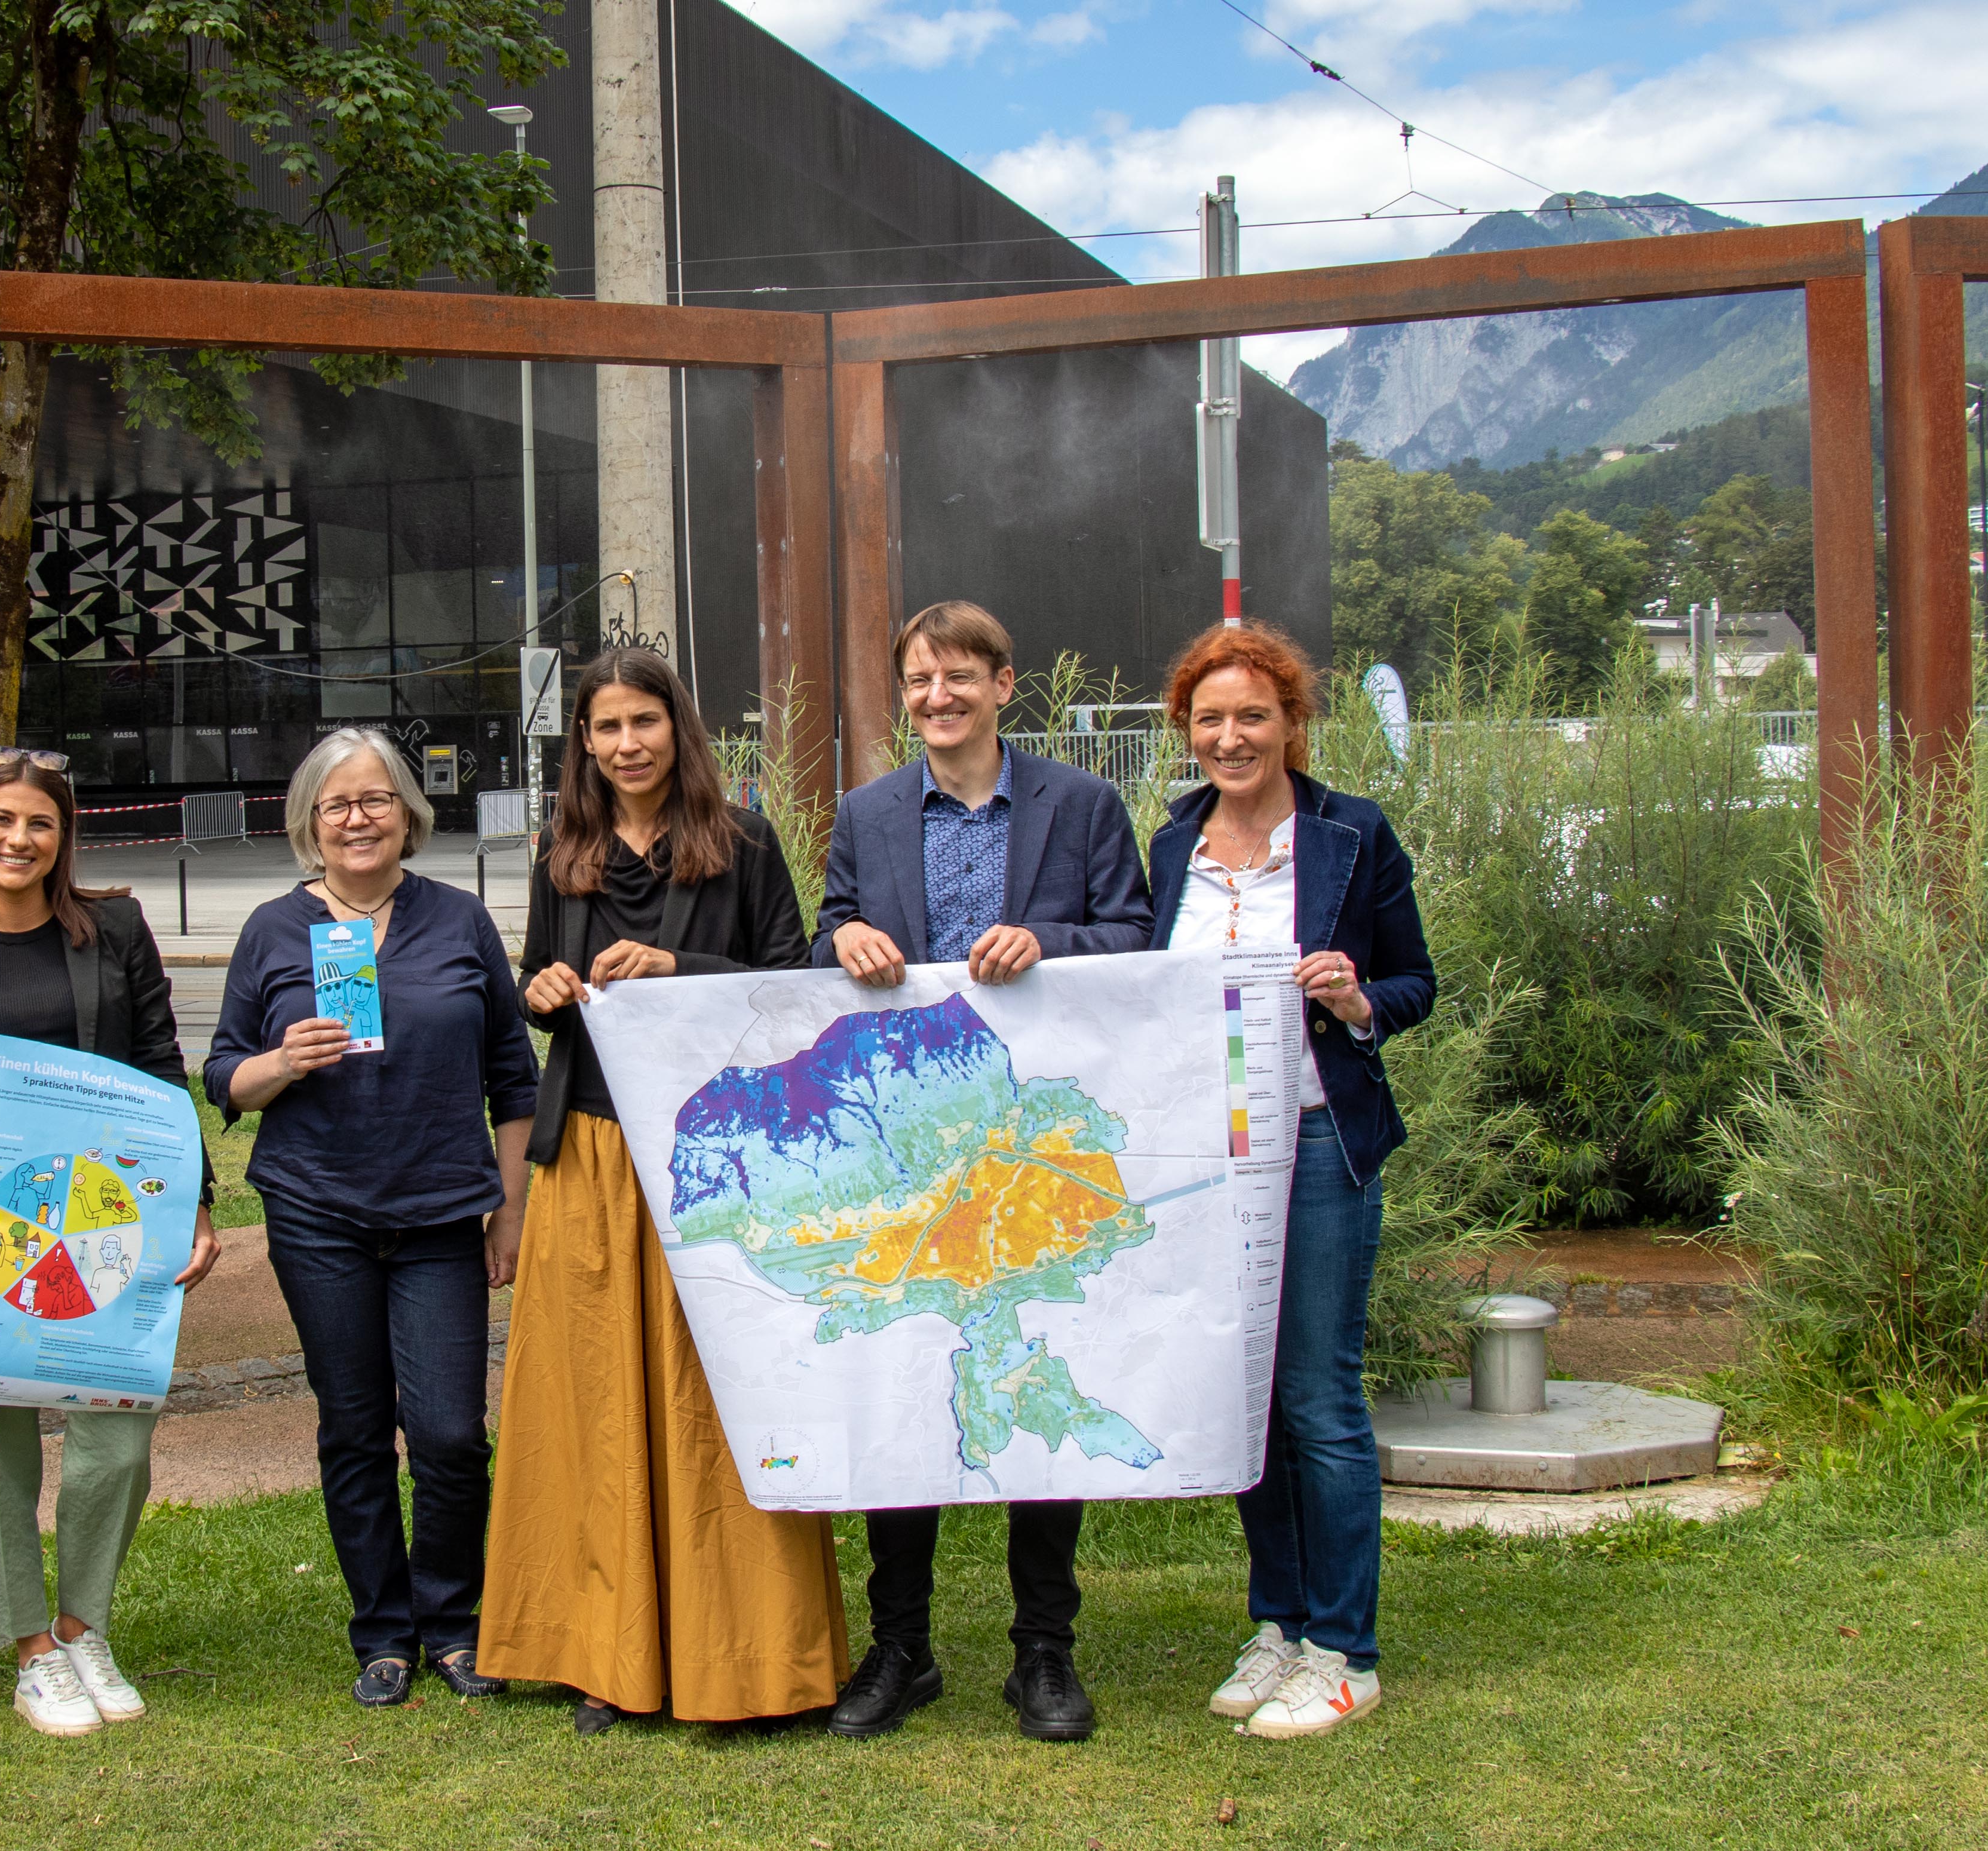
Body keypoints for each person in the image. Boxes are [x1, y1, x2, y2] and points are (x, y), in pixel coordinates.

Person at [478, 645, 848, 1735]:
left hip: (716, 1163)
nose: (625, 743)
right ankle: (604, 1651)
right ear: (582, 744)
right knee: (594, 1402)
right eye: (604, 728)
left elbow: (796, 990)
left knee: (717, 1399)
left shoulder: (740, 841)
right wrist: (539, 985)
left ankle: (747, 1654)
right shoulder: (562, 850)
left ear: (674, 727)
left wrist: (680, 971)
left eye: (642, 721)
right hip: (590, 1149)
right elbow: (541, 998)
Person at [808, 600, 1153, 1744]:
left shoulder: (1082, 805)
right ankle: (899, 1646)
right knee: (905, 1373)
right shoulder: (864, 814)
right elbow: (821, 944)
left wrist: (1049, 943)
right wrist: (845, 940)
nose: (936, 696)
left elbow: (1139, 937)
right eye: (917, 679)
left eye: (958, 676)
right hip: (911, 1155)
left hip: (1033, 1149)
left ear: (1006, 684)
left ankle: (1041, 1651)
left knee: (1035, 1372)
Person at [204, 727, 538, 1709]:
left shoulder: (459, 918)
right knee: (352, 1426)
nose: (357, 816)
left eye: (376, 798)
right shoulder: (273, 927)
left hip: (439, 1212)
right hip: (318, 1214)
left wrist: (508, 1214)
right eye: (337, 802)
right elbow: (223, 1071)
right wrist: (280, 1062)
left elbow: (511, 1079)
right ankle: (382, 1631)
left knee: (446, 1431)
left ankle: (454, 1618)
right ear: (311, 819)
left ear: (407, 812)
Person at [0, 751, 225, 1737]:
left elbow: (163, 1064)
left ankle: (85, 1624)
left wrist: (197, 1203)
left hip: (112, 1223)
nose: (17, 839)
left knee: (115, 1436)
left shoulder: (113, 927)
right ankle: (30, 1646)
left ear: (61, 834)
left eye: (38, 823)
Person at [1148, 621, 1433, 1741]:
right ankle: (1277, 1621)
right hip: (1208, 1152)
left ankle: (1342, 1648)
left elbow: (1415, 981)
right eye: (1209, 719)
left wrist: (1358, 1000)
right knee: (1246, 1401)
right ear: (1185, 730)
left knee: (1317, 1397)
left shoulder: (1351, 835)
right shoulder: (1170, 843)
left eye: (1250, 716)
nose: (1230, 736)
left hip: (1317, 1141)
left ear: (1289, 722)